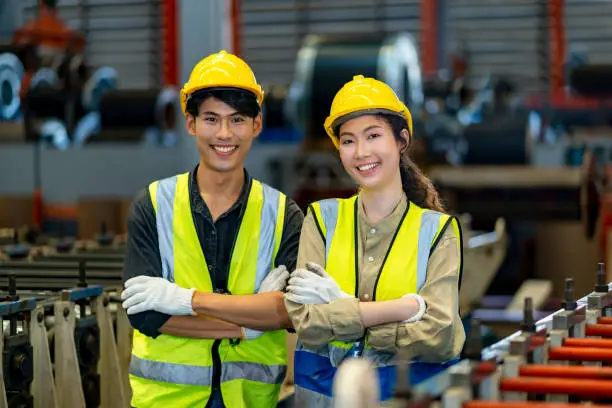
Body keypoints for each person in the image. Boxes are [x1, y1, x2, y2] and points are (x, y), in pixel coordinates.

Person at [120, 50, 303, 408]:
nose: (224, 134)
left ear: (256, 125)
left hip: (251, 400)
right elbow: (146, 314)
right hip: (168, 400)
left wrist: (188, 300)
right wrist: (249, 323)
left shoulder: (283, 214)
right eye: (211, 119)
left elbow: (289, 311)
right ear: (190, 124)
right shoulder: (153, 205)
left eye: (237, 119)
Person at [284, 75, 466, 406]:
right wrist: (403, 309)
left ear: (401, 141)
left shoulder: (437, 231)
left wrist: (342, 306)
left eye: (373, 135)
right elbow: (306, 322)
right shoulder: (321, 221)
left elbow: (439, 336)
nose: (361, 152)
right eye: (348, 140)